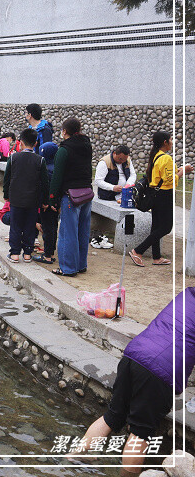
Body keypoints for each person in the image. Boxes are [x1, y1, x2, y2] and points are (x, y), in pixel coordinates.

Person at [77, 287, 195, 475]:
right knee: (141, 432)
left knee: (114, 414)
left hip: (134, 355)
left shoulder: (187, 294)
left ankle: (77, 456)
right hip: (161, 370)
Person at [130, 131, 193, 267]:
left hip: (155, 194)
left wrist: (181, 169)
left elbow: (166, 174)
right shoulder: (166, 158)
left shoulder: (156, 156)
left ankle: (156, 257)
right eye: (170, 139)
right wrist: (184, 171)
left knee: (156, 226)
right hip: (164, 194)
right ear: (165, 142)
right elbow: (170, 179)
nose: (172, 142)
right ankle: (137, 251)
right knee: (165, 227)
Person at [49, 118, 93, 277]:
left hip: (71, 196)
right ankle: (81, 265)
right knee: (82, 231)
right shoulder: (86, 145)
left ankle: (67, 268)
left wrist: (52, 197)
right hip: (86, 193)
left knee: (68, 232)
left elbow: (57, 176)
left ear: (64, 131)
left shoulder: (64, 150)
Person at [3, 129, 49, 263]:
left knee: (16, 226)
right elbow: (45, 183)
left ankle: (15, 254)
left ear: (21, 143)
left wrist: (6, 195)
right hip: (33, 200)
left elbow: (7, 179)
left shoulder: (13, 158)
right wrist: (45, 200)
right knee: (29, 226)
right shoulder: (40, 160)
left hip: (16, 198)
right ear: (35, 144)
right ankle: (27, 254)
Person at [34, 142, 59, 264]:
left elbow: (44, 188)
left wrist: (44, 203)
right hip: (55, 205)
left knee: (47, 228)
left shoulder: (45, 169)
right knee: (53, 227)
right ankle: (51, 251)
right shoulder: (57, 167)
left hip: (47, 205)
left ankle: (47, 255)